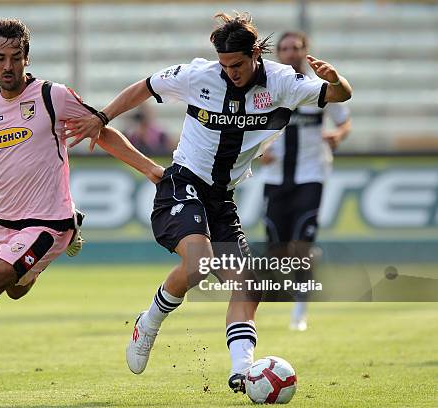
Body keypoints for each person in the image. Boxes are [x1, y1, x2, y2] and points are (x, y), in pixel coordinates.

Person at [65, 11, 352, 394]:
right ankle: (148, 321)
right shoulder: (198, 75)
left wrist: (335, 80)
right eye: (224, 65)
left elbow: (340, 95)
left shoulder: (282, 82)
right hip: (183, 184)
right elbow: (144, 87)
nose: (230, 72)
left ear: (255, 56)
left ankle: (243, 371)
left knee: (250, 285)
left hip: (221, 199)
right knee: (198, 264)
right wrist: (101, 116)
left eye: (237, 64)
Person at [0, 18, 163, 395]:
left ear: (26, 58)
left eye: (15, 57)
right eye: (0, 58)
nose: (8, 66)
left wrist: (152, 170)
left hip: (47, 221)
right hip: (5, 224)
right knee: (15, 289)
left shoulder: (51, 97)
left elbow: (100, 131)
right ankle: (46, 256)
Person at [260, 31, 351, 331]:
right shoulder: (266, 88)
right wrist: (259, 151)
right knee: (277, 250)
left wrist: (338, 135)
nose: (290, 53)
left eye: (296, 48)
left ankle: (300, 307)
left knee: (300, 245)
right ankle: (308, 257)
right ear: (278, 53)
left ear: (305, 51)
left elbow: (343, 119)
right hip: (275, 178)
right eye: (284, 48)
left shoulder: (319, 88)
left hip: (311, 175)